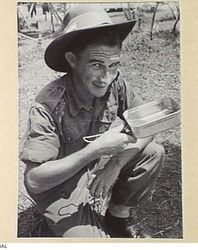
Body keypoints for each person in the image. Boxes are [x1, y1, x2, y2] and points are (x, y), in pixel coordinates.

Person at [20, 4, 165, 238]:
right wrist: (96, 149)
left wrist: (115, 164)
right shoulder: (48, 105)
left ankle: (117, 217)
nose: (106, 77)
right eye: (96, 64)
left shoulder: (116, 83)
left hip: (95, 167)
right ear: (72, 59)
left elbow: (148, 124)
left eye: (114, 64)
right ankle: (60, 220)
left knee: (152, 152)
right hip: (59, 186)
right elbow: (35, 181)